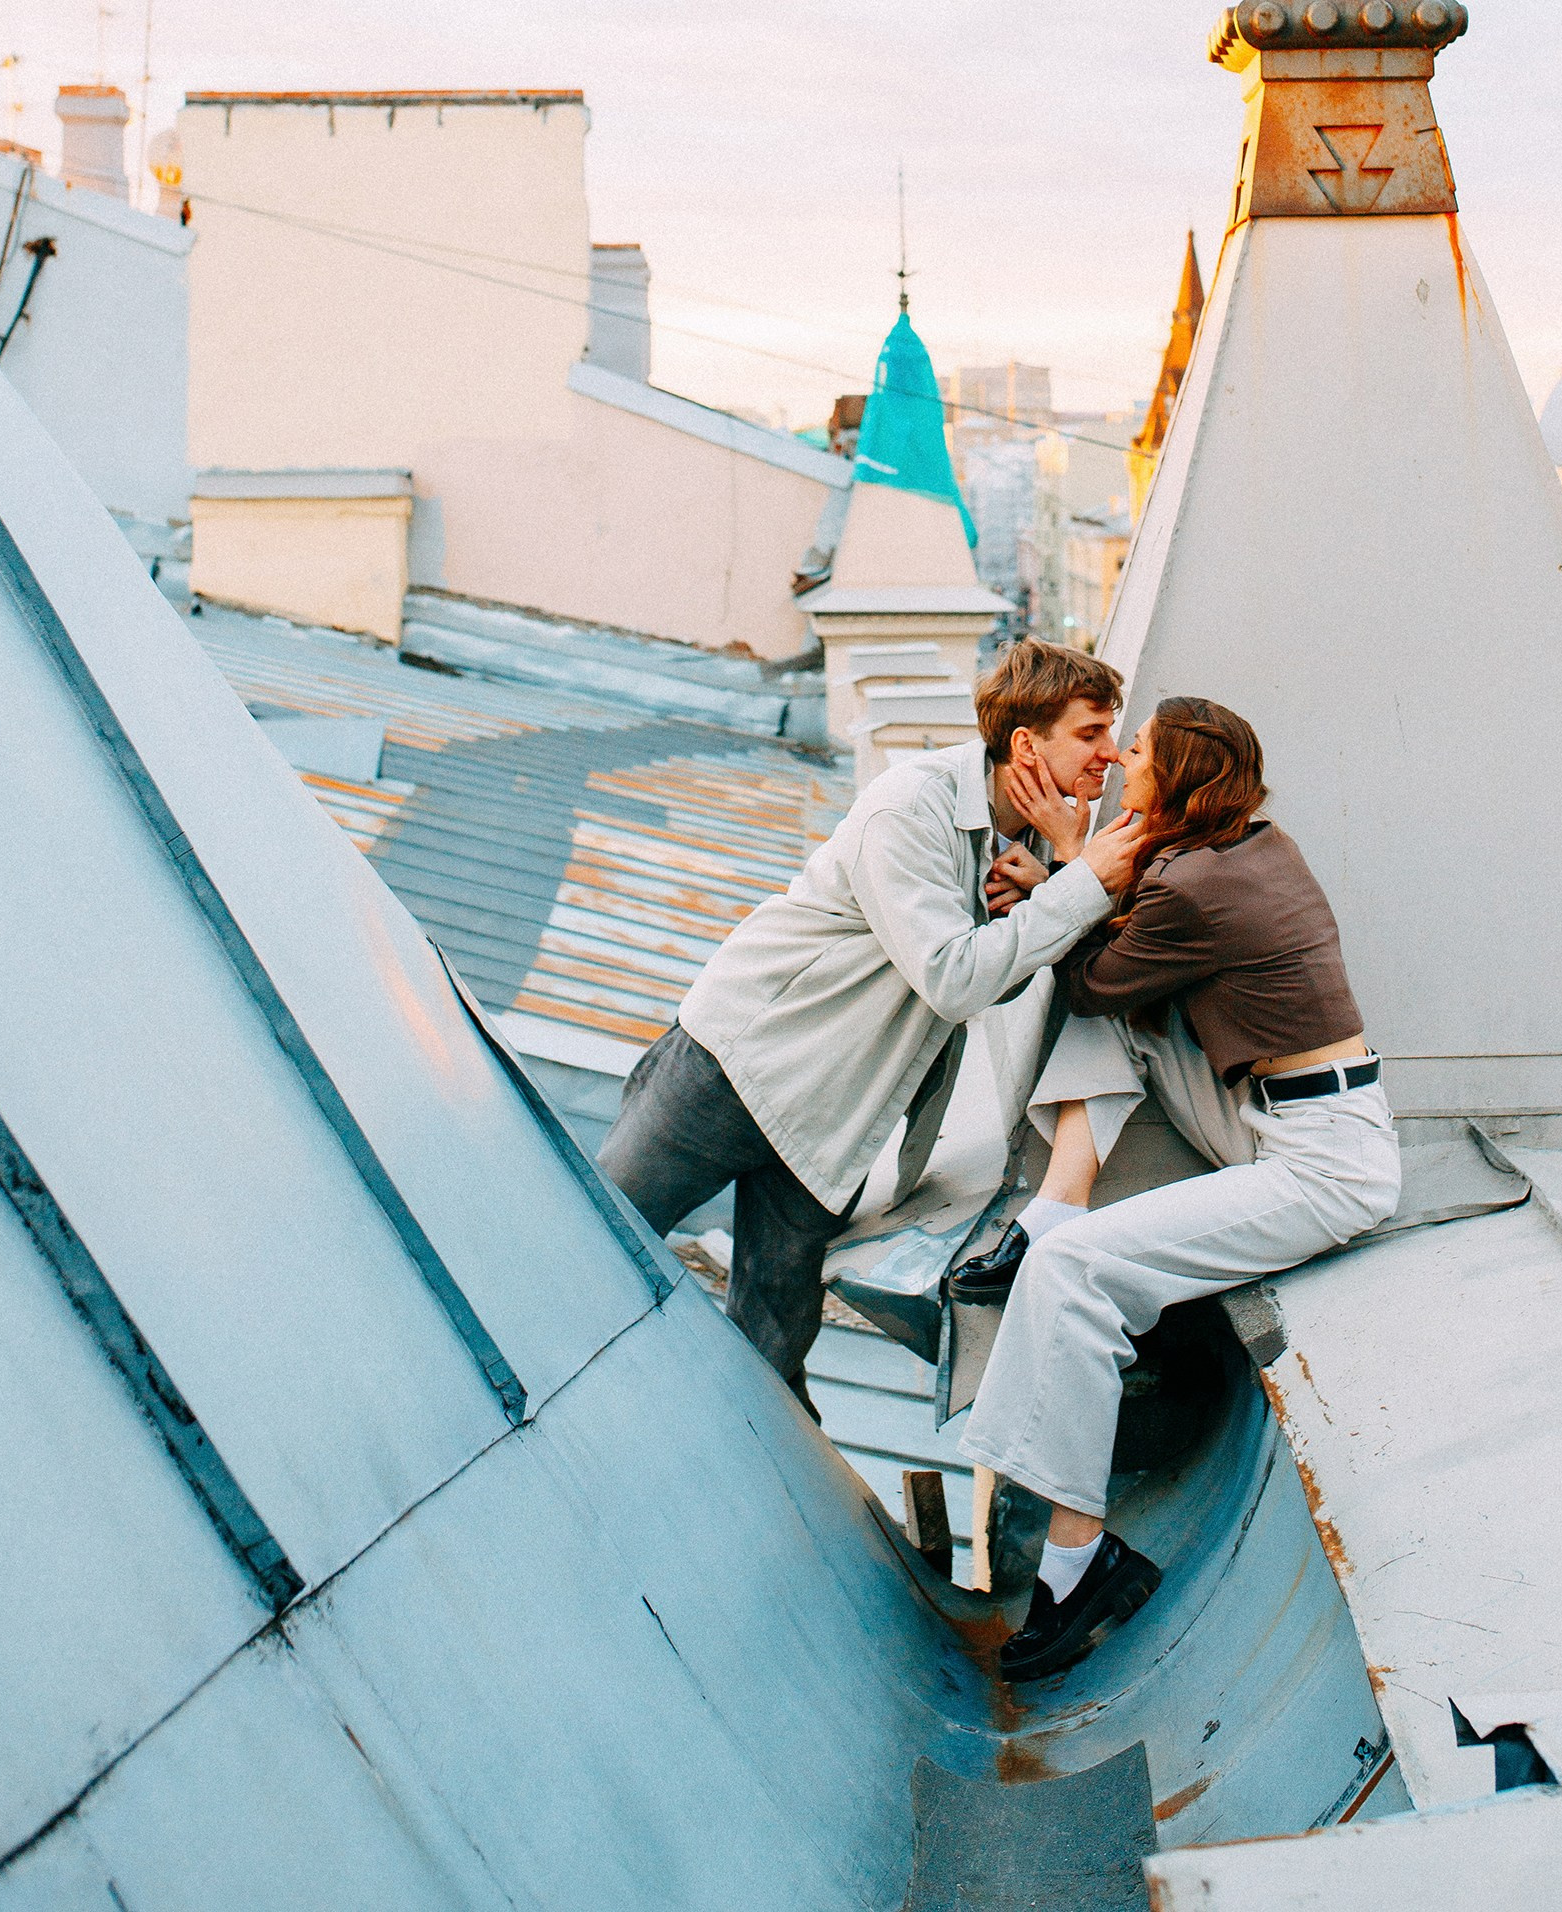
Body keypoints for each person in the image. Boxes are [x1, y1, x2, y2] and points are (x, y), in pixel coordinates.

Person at [955, 695, 1401, 1682]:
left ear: (1181, 778)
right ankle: (1054, 1207)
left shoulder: (1193, 888)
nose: (1121, 757)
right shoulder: (1244, 847)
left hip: (1321, 1166)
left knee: (1073, 1274)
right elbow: (1126, 951)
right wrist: (1069, 880)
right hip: (1289, 1114)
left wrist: (1067, 859)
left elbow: (1087, 977)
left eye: (1143, 750)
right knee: (1117, 1018)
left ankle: (1079, 1564)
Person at [595, 639, 1142, 1414]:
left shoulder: (1017, 834)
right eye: (1090, 733)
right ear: (1026, 745)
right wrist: (1079, 884)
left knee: (775, 1346)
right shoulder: (911, 805)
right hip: (737, 1067)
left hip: (831, 1117)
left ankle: (762, 1470)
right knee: (598, 1243)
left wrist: (1054, 877)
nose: (1110, 754)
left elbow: (997, 983)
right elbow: (952, 979)